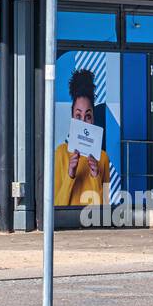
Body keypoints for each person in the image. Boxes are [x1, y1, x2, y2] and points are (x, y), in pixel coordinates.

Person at [54, 69, 110, 206]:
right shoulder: (60, 153)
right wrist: (70, 175)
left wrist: (95, 177)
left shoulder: (103, 158)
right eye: (78, 116)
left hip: (92, 224)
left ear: (93, 119)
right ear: (72, 117)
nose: (83, 122)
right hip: (67, 225)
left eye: (88, 116)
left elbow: (105, 209)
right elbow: (56, 206)